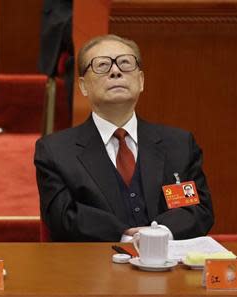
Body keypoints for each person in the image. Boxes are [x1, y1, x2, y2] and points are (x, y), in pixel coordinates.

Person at [34, 34, 214, 242]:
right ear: (83, 86)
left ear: (141, 81)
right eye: (102, 65)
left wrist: (157, 235)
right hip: (92, 267)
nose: (115, 71)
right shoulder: (55, 150)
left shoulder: (179, 144)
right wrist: (123, 235)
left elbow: (199, 209)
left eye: (125, 63)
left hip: (170, 263)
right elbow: (61, 216)